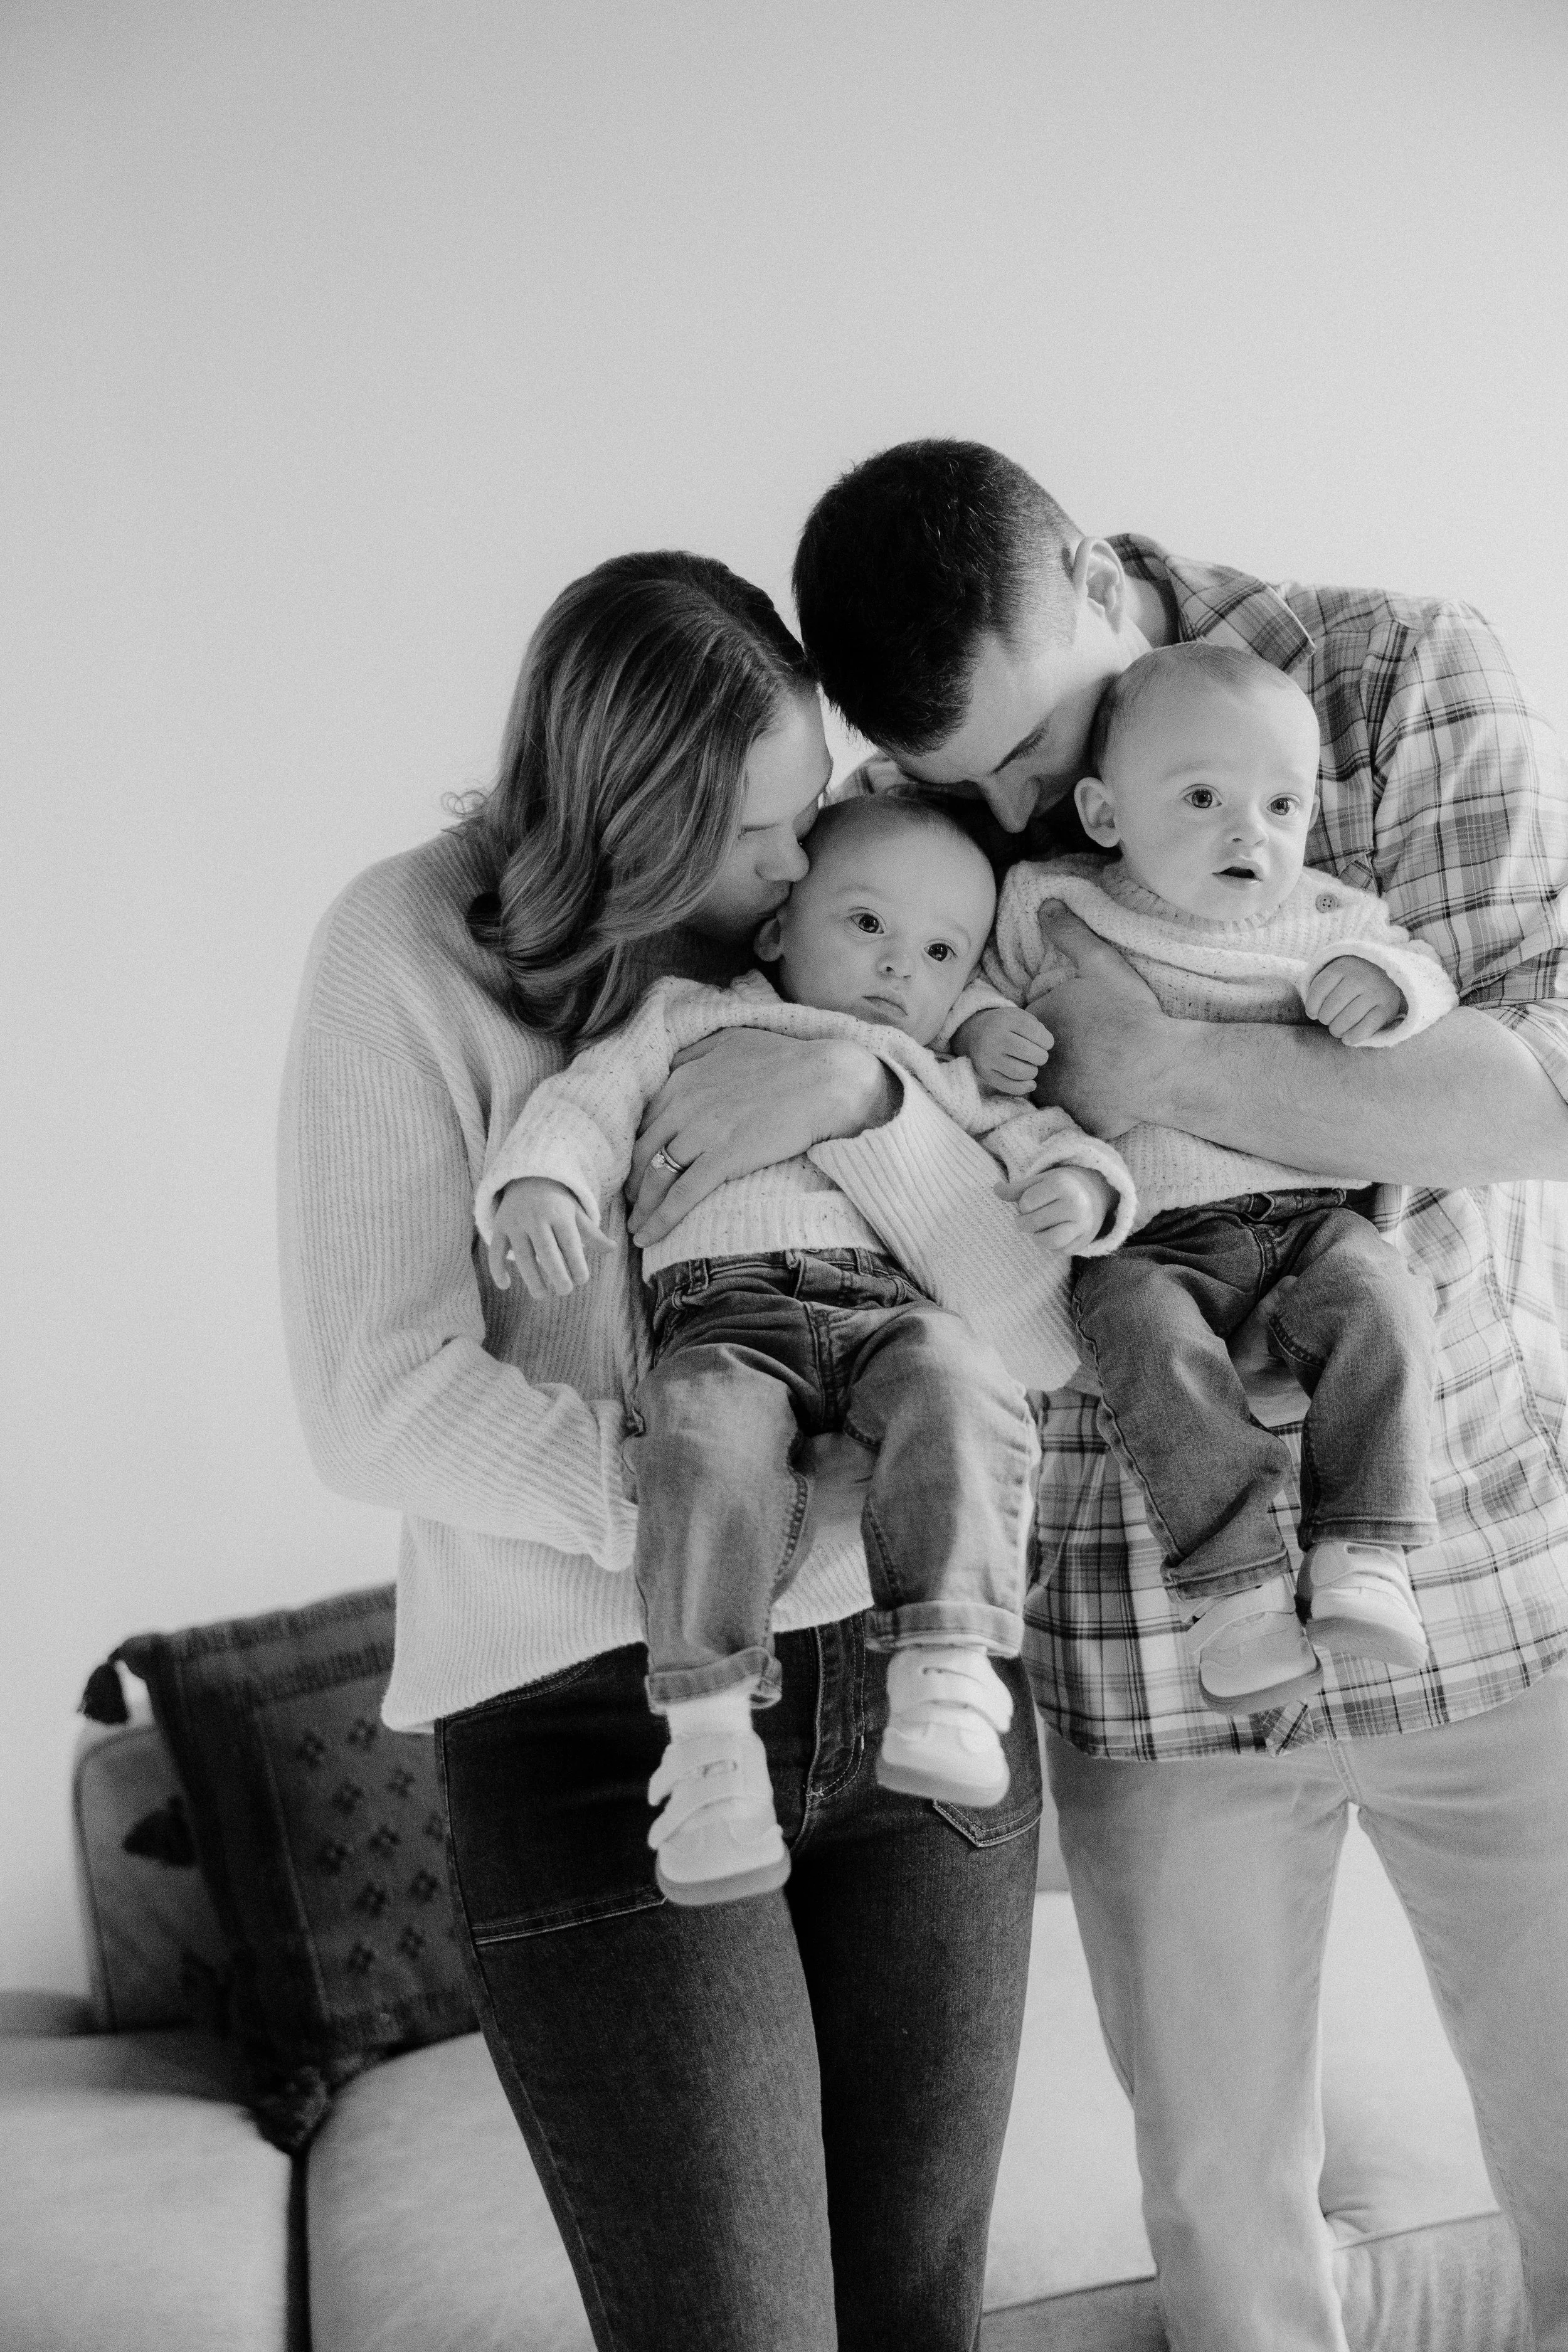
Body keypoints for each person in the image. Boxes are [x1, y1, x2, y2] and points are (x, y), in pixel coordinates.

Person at [793, 440, 1568, 2352]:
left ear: (1084, 564)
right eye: (965, 780)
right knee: (1223, 2221)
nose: (1018, 804)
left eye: (1037, 736)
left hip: (1493, 1558)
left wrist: (1155, 1063)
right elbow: (939, 1167)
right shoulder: (904, 835)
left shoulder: (1392, 680)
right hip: (1155, 1618)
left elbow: (1538, 1086)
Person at [278, 548, 1049, 2352]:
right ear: (636, 816)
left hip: (911, 1686)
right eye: (765, 833)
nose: (810, 861)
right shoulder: (403, 951)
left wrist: (869, 1097)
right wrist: (700, 1496)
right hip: (593, 1724)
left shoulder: (855, 944)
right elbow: (370, 1393)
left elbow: (1032, 1336)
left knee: (914, 2323)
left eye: (811, 808)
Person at [477, 793, 1132, 1903]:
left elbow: (1043, 1146)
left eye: (938, 952)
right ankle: (709, 1740)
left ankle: (952, 1663)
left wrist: (1081, 1187)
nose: (895, 971)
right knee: (697, 1444)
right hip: (724, 1321)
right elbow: (586, 1101)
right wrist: (542, 1177)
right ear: (779, 927)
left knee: (961, 1392)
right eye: (866, 924)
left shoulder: (933, 1075)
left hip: (891, 1317)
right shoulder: (688, 1015)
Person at [954, 642, 1455, 1715]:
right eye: (1202, 798)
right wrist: (984, 1023)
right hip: (1148, 1232)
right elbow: (966, 992)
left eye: (1284, 805)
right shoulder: (1056, 904)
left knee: (1382, 1302)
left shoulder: (1329, 916)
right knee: (1139, 1335)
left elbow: (1425, 971)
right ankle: (1234, 1591)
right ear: (1103, 815)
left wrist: (1388, 984)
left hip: (1314, 1220)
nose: (1252, 834)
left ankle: (1365, 1548)